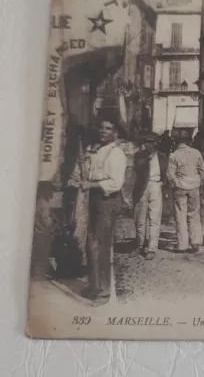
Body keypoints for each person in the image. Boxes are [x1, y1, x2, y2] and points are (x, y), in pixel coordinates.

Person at [70, 116, 127, 306]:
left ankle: (103, 291)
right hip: (94, 199)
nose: (103, 130)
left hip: (107, 201)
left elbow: (115, 183)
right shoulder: (97, 150)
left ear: (115, 133)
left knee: (102, 246)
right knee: (91, 243)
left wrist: (91, 184)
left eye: (108, 128)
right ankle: (94, 285)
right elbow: (90, 172)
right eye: (102, 127)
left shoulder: (117, 153)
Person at [167, 128, 204, 253]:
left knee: (180, 214)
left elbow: (170, 175)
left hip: (180, 187)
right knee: (194, 213)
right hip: (194, 186)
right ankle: (195, 242)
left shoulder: (174, 155)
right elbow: (202, 170)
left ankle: (182, 244)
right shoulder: (196, 152)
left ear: (176, 141)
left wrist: (175, 184)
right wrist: (200, 182)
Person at [132, 133, 168, 260]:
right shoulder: (139, 155)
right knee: (140, 219)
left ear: (156, 143)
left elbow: (166, 172)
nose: (147, 144)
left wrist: (164, 184)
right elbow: (137, 167)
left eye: (150, 142)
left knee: (155, 218)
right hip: (142, 187)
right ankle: (139, 245)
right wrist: (147, 158)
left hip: (156, 186)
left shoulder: (162, 157)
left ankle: (152, 248)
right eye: (146, 142)